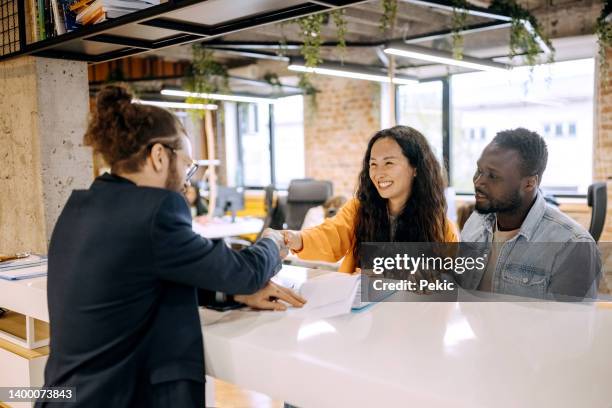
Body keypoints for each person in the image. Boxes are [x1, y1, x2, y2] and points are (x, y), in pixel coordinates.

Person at [37, 85, 305, 408]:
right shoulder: (154, 212)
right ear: (159, 156)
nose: (189, 180)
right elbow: (244, 272)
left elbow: (135, 281)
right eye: (188, 165)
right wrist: (273, 242)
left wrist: (230, 293)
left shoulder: (79, 207)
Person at [282, 126, 459, 273]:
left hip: (411, 312)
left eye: (389, 163)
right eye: (373, 164)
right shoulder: (358, 210)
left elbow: (452, 284)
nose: (378, 173)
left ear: (415, 168)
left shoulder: (441, 228)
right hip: (360, 312)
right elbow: (328, 236)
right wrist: (294, 238)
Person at [459, 128, 601, 300]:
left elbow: (570, 325)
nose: (478, 181)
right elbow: (461, 287)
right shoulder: (476, 221)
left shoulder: (572, 246)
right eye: (479, 171)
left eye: (493, 176)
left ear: (529, 183)